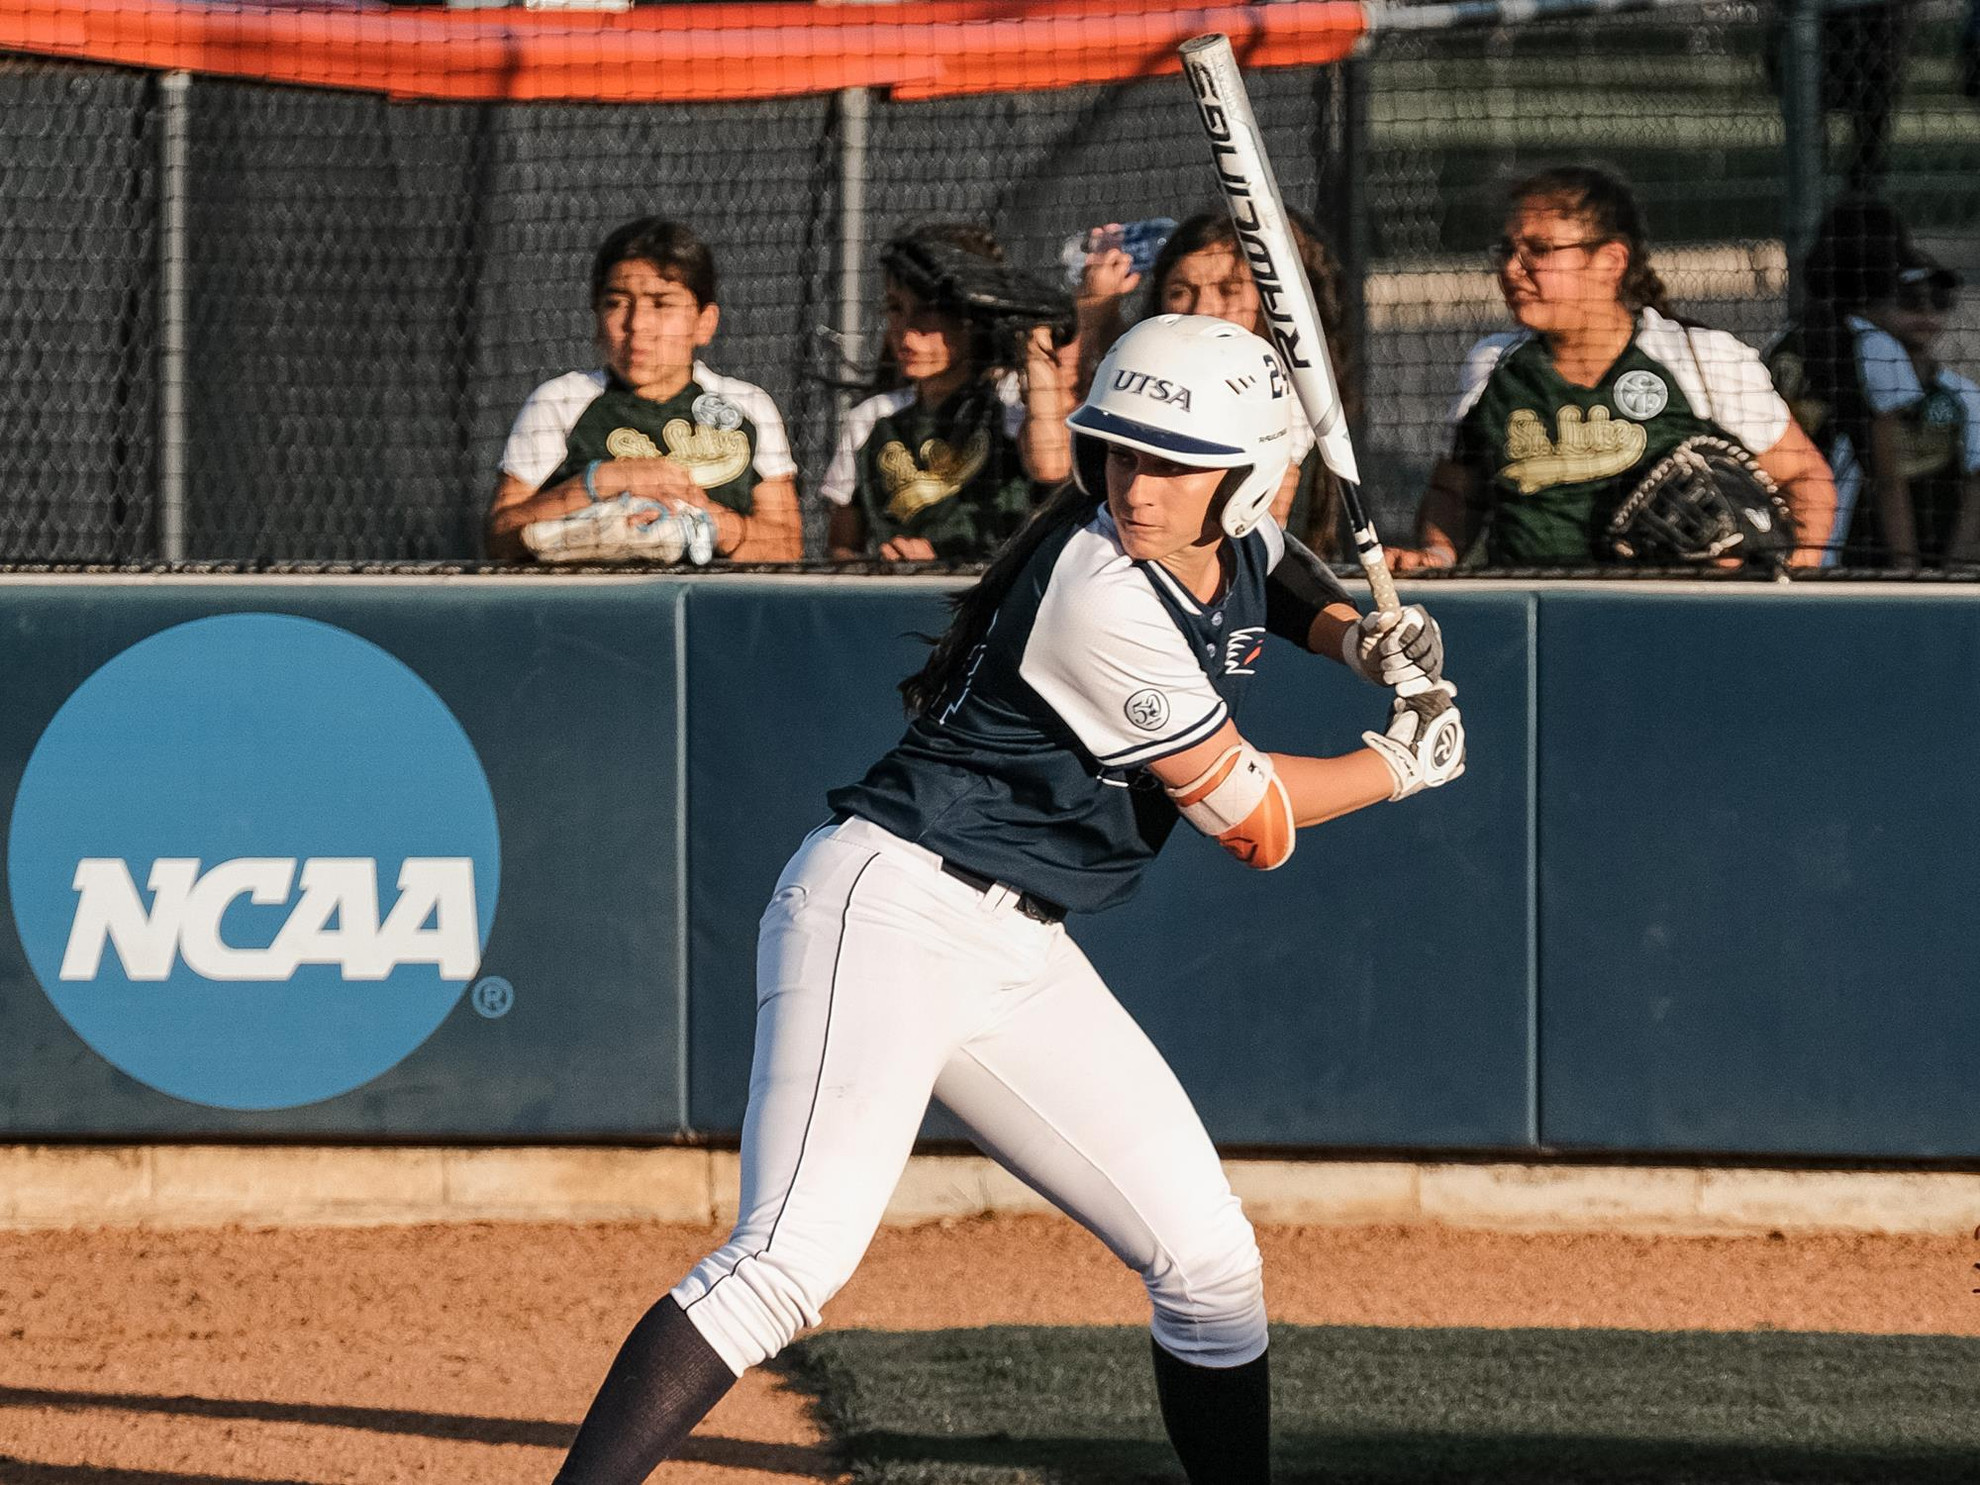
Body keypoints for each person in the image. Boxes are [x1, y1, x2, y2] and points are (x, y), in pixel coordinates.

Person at [547, 315, 1465, 1485]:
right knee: (788, 1258)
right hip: (888, 913)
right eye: (1118, 454)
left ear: (1243, 480)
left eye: (1172, 463)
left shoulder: (1229, 534)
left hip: (1017, 946)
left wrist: (1356, 638)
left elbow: (1279, 571)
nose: (1136, 485)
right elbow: (1250, 823)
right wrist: (1402, 761)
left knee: (1209, 1263)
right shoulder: (1099, 591)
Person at [1390, 165, 1836, 572]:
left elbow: (1805, 476)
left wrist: (1793, 578)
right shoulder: (1492, 365)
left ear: (1610, 262)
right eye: (1507, 249)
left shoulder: (1701, 360)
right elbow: (1455, 493)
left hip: (1672, 620)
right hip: (1530, 613)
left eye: (1539, 250)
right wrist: (1438, 554)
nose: (1512, 268)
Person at [487, 217, 802, 564]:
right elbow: (500, 539)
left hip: (716, 609)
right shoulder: (560, 401)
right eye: (617, 303)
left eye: (661, 303)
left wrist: (705, 521)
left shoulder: (748, 406)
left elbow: (786, 546)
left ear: (705, 322)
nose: (637, 325)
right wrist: (602, 481)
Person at [1070, 209, 1358, 556]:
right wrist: (1096, 315)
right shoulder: (1146, 366)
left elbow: (1262, 530)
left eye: (1228, 290)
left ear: (1272, 302)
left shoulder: (1282, 390)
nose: (1203, 307)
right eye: (1180, 291)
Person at [822, 222, 1072, 563]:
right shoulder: (871, 419)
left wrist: (1034, 332)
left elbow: (1051, 466)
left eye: (929, 309)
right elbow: (840, 547)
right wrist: (879, 568)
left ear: (973, 312)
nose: (907, 331)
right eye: (895, 307)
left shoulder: (1012, 401)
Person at [1768, 196, 1979, 567]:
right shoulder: (1876, 348)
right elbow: (1887, 477)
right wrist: (1906, 565)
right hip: (1833, 536)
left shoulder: (1784, 340)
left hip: (1775, 532)